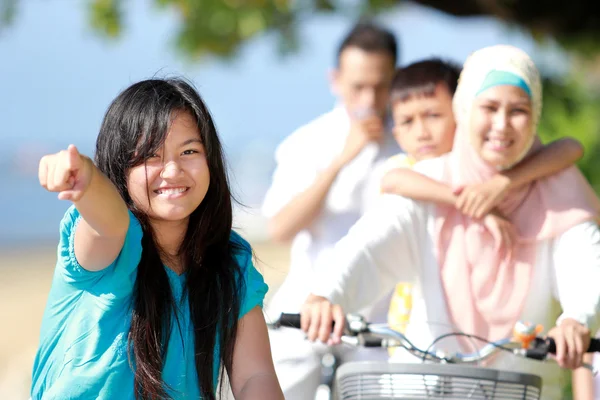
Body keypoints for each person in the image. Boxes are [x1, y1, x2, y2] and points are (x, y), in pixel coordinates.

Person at [300, 45, 600, 400]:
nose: (502, 124)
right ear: (464, 111)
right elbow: (368, 244)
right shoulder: (433, 180)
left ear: (534, 117)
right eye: (488, 108)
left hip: (521, 387)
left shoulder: (557, 189)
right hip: (421, 385)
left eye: (518, 110)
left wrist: (575, 319)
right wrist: (327, 294)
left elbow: (584, 258)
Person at [31, 79, 283, 400]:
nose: (173, 170)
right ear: (120, 168)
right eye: (151, 156)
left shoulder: (229, 258)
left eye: (189, 151)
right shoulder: (111, 244)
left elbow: (254, 376)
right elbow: (109, 221)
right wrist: (87, 179)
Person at [374, 58, 586, 353]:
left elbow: (570, 148)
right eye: (408, 121)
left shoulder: (489, 168)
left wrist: (503, 183)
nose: (422, 131)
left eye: (433, 115)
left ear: (461, 112)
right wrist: (477, 206)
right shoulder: (411, 167)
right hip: (412, 328)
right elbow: (393, 180)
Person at [261, 22, 400, 398]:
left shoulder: (411, 140)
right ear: (335, 80)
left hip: (380, 325)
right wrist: (342, 159)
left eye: (380, 85)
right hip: (305, 315)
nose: (369, 98)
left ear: (395, 81)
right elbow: (280, 227)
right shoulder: (307, 142)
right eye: (358, 86)